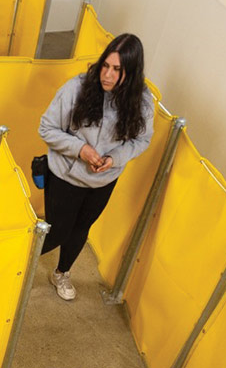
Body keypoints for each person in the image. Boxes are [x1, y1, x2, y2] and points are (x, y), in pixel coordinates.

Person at [38, 33, 154, 301]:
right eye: (105, 66)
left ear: (131, 74)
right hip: (65, 175)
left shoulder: (141, 102)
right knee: (56, 231)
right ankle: (13, 265)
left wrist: (114, 158)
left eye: (117, 70)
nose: (107, 75)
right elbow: (47, 128)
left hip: (103, 181)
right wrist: (81, 149)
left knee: (81, 228)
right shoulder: (76, 89)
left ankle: (62, 273)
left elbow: (141, 140)